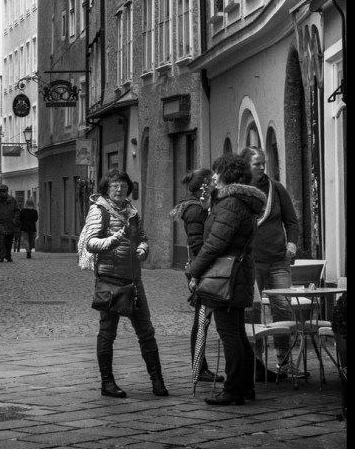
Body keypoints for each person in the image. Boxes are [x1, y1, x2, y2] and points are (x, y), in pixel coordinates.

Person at [83, 168, 169, 399]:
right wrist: (115, 239)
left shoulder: (132, 211)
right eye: (114, 186)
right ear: (106, 189)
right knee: (107, 332)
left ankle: (157, 381)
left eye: (123, 185)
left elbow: (142, 237)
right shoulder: (99, 210)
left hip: (133, 279)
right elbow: (91, 243)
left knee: (146, 331)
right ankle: (107, 383)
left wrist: (142, 248)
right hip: (109, 279)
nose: (119, 189)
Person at [188, 153, 266, 405]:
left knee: (229, 334)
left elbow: (215, 244)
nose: (213, 176)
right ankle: (245, 386)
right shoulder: (237, 201)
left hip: (226, 276)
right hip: (235, 274)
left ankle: (233, 389)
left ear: (226, 174)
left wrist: (194, 271)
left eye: (216, 172)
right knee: (237, 333)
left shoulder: (230, 203)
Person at [240, 146, 300, 380]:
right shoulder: (241, 190)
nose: (262, 167)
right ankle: (256, 365)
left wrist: (291, 245)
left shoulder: (276, 188)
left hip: (277, 260)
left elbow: (291, 221)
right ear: (246, 165)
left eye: (264, 163)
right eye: (257, 164)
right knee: (252, 313)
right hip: (251, 261)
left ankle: (284, 362)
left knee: (283, 309)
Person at [170, 167, 223, 384]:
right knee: (202, 320)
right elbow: (197, 244)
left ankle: (200, 367)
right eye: (212, 181)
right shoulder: (195, 210)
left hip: (202, 268)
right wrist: (199, 272)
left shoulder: (201, 206)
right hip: (202, 270)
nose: (216, 183)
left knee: (203, 319)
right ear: (204, 186)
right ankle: (199, 368)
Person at [0, 184, 20, 262]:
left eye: (4, 191)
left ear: (7, 192)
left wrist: (14, 220)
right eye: (1, 191)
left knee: (9, 241)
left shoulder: (12, 200)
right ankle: (1, 256)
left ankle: (8, 255)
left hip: (10, 223)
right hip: (0, 223)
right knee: (1, 241)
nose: (2, 193)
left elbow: (17, 210)